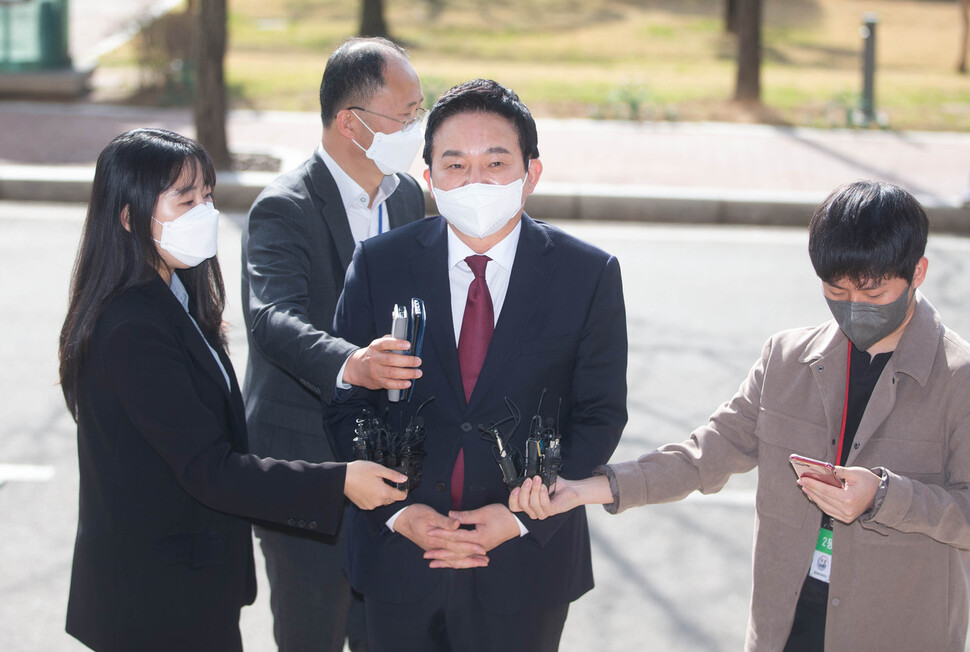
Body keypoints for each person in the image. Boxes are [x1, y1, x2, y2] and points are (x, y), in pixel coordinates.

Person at [511, 180, 970, 651]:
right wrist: (586, 489)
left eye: (873, 295)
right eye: (836, 290)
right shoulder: (788, 359)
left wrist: (884, 496)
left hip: (900, 630)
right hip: (786, 624)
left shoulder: (960, 379)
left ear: (918, 272)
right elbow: (704, 454)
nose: (854, 308)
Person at [58, 128, 408, 652]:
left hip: (190, 585)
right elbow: (209, 468)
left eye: (207, 196)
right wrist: (339, 483)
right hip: (153, 602)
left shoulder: (174, 294)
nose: (205, 212)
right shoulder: (132, 327)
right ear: (128, 217)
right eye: (185, 199)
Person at [325, 78, 628, 652]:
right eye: (455, 164)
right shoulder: (380, 264)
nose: (476, 180)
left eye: (495, 162)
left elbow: (600, 415)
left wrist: (521, 517)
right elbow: (347, 402)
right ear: (429, 180)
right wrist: (398, 512)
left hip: (524, 560)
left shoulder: (586, 275)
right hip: (401, 553)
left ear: (530, 173)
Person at [240, 37, 426, 651]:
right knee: (311, 635)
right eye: (405, 116)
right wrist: (353, 364)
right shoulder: (284, 207)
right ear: (351, 122)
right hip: (309, 473)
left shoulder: (404, 195)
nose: (414, 129)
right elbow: (272, 318)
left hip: (390, 472)